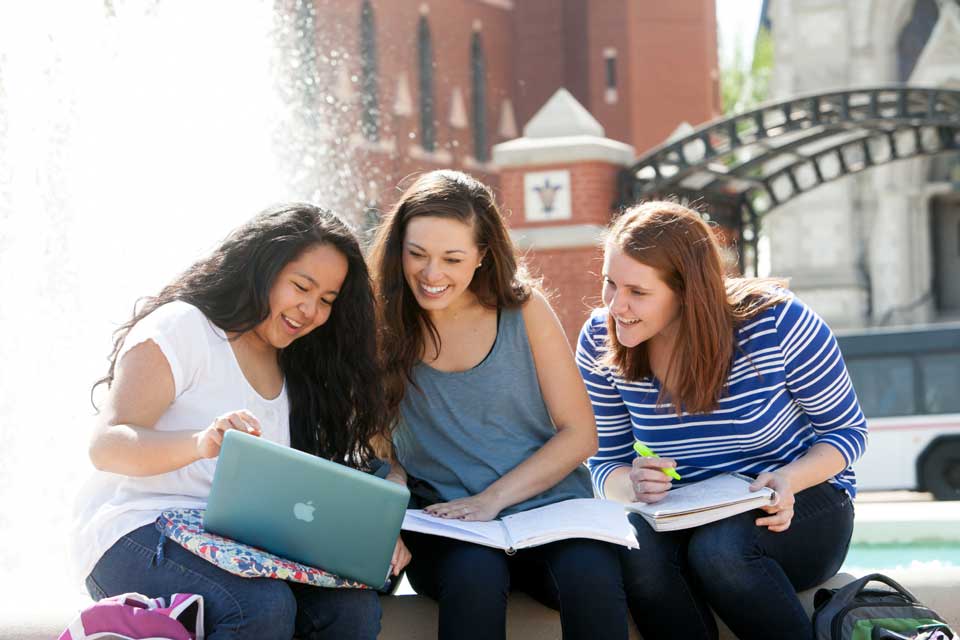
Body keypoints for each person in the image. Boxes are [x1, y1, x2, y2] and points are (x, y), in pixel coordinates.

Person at [72, 204, 404, 640]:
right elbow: (107, 446)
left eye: (326, 300)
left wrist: (372, 529)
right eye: (301, 286)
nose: (309, 310)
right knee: (256, 606)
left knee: (350, 610)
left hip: (232, 542)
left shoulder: (299, 366)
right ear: (262, 268)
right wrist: (201, 442)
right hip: (135, 530)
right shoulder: (183, 328)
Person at [576, 200, 868, 640]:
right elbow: (605, 464)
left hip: (798, 507)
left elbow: (847, 433)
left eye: (638, 292)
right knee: (634, 545)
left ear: (687, 291)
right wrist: (631, 484)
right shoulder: (600, 338)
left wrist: (789, 478)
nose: (617, 306)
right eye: (610, 284)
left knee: (722, 549)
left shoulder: (778, 323)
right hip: (683, 517)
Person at [368, 170, 629, 640]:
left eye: (452, 258)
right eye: (417, 255)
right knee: (475, 577)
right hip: (449, 529)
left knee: (591, 574)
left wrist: (493, 500)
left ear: (483, 256)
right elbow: (381, 452)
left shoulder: (525, 310)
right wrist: (393, 493)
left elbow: (580, 433)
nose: (431, 274)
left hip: (548, 513)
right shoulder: (379, 326)